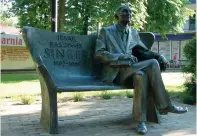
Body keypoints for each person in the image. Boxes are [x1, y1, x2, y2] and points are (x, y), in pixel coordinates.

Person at [95, 5, 188, 135]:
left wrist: (158, 55)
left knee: (141, 76)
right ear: (116, 15)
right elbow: (99, 54)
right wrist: (121, 56)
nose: (128, 14)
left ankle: (141, 122)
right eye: (124, 11)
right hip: (115, 73)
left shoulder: (133, 33)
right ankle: (166, 105)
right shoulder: (106, 31)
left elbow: (144, 52)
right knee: (152, 64)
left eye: (130, 12)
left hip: (131, 71)